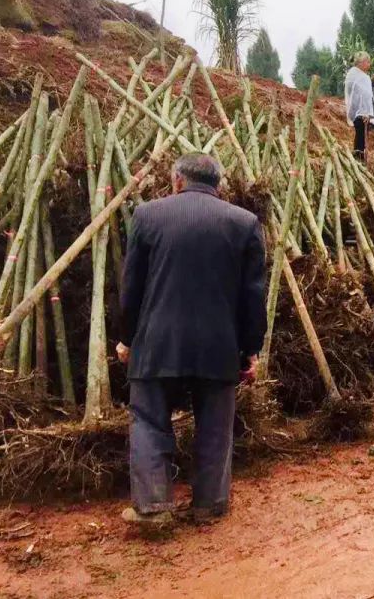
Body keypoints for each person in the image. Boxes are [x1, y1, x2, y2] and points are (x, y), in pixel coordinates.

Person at [118, 154, 266, 528]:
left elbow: (131, 287)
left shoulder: (147, 215)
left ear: (177, 180)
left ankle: (153, 506)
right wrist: (251, 349)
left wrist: (126, 338)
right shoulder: (244, 222)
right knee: (215, 426)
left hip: (157, 341)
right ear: (218, 185)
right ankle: (209, 505)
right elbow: (253, 296)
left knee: (149, 420)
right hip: (218, 344)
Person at [344, 51, 374, 162]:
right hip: (361, 113)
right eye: (367, 62)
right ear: (361, 62)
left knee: (360, 135)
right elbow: (364, 96)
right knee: (361, 136)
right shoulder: (361, 77)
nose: (369, 64)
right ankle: (359, 158)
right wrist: (366, 112)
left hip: (357, 111)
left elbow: (361, 94)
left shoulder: (353, 74)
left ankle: (359, 158)